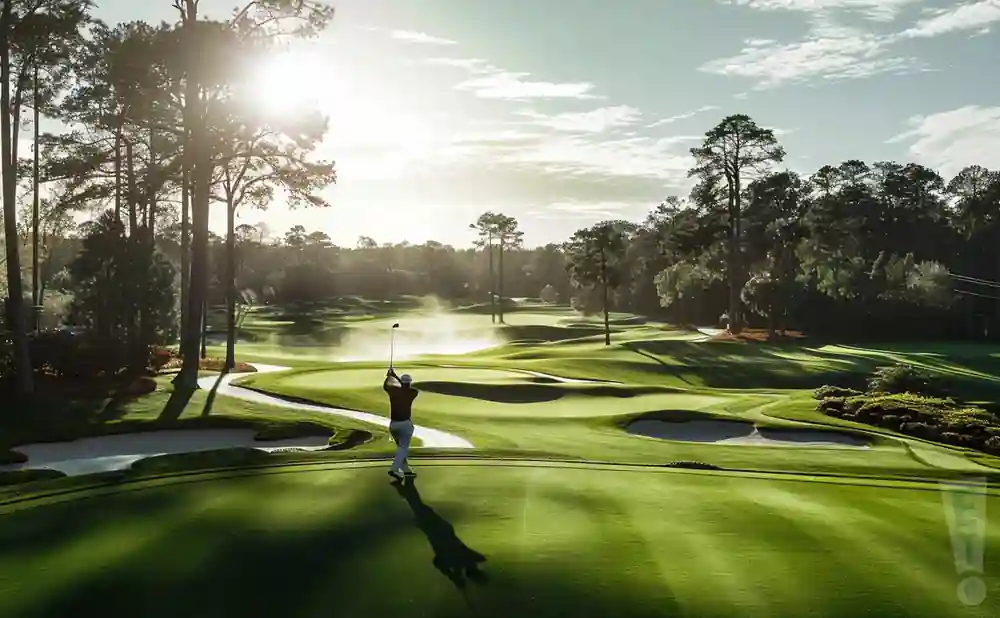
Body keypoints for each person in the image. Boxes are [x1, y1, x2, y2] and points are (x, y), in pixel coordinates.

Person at [384, 367, 419, 482]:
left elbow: (385, 386)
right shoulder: (412, 392)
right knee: (403, 448)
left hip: (393, 425)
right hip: (405, 425)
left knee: (401, 448)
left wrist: (390, 376)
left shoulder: (394, 392)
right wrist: (395, 376)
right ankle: (394, 468)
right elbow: (405, 388)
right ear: (409, 383)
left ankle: (406, 469)